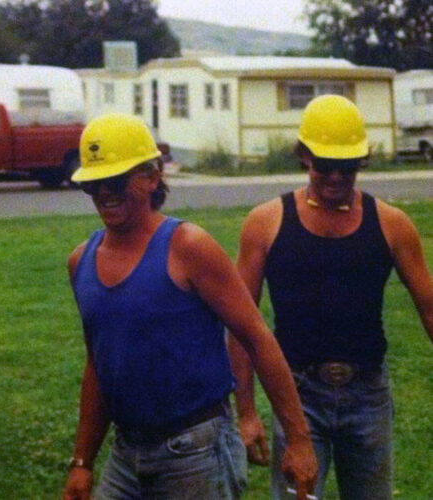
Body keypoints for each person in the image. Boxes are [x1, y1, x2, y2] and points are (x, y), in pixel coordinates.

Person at [62, 113, 317, 500]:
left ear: (151, 177)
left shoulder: (187, 247)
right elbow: (99, 364)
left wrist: (298, 439)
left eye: (115, 181)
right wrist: (82, 462)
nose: (104, 193)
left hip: (195, 453)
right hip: (126, 452)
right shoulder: (81, 262)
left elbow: (256, 337)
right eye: (94, 184)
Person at [228, 94, 433, 500]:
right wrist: (247, 412)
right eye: (325, 165)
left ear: (362, 161)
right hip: (297, 395)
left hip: (368, 393)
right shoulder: (266, 223)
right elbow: (240, 324)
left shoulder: (392, 225)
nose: (335, 177)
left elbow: (429, 310)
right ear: (304, 156)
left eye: (347, 166)